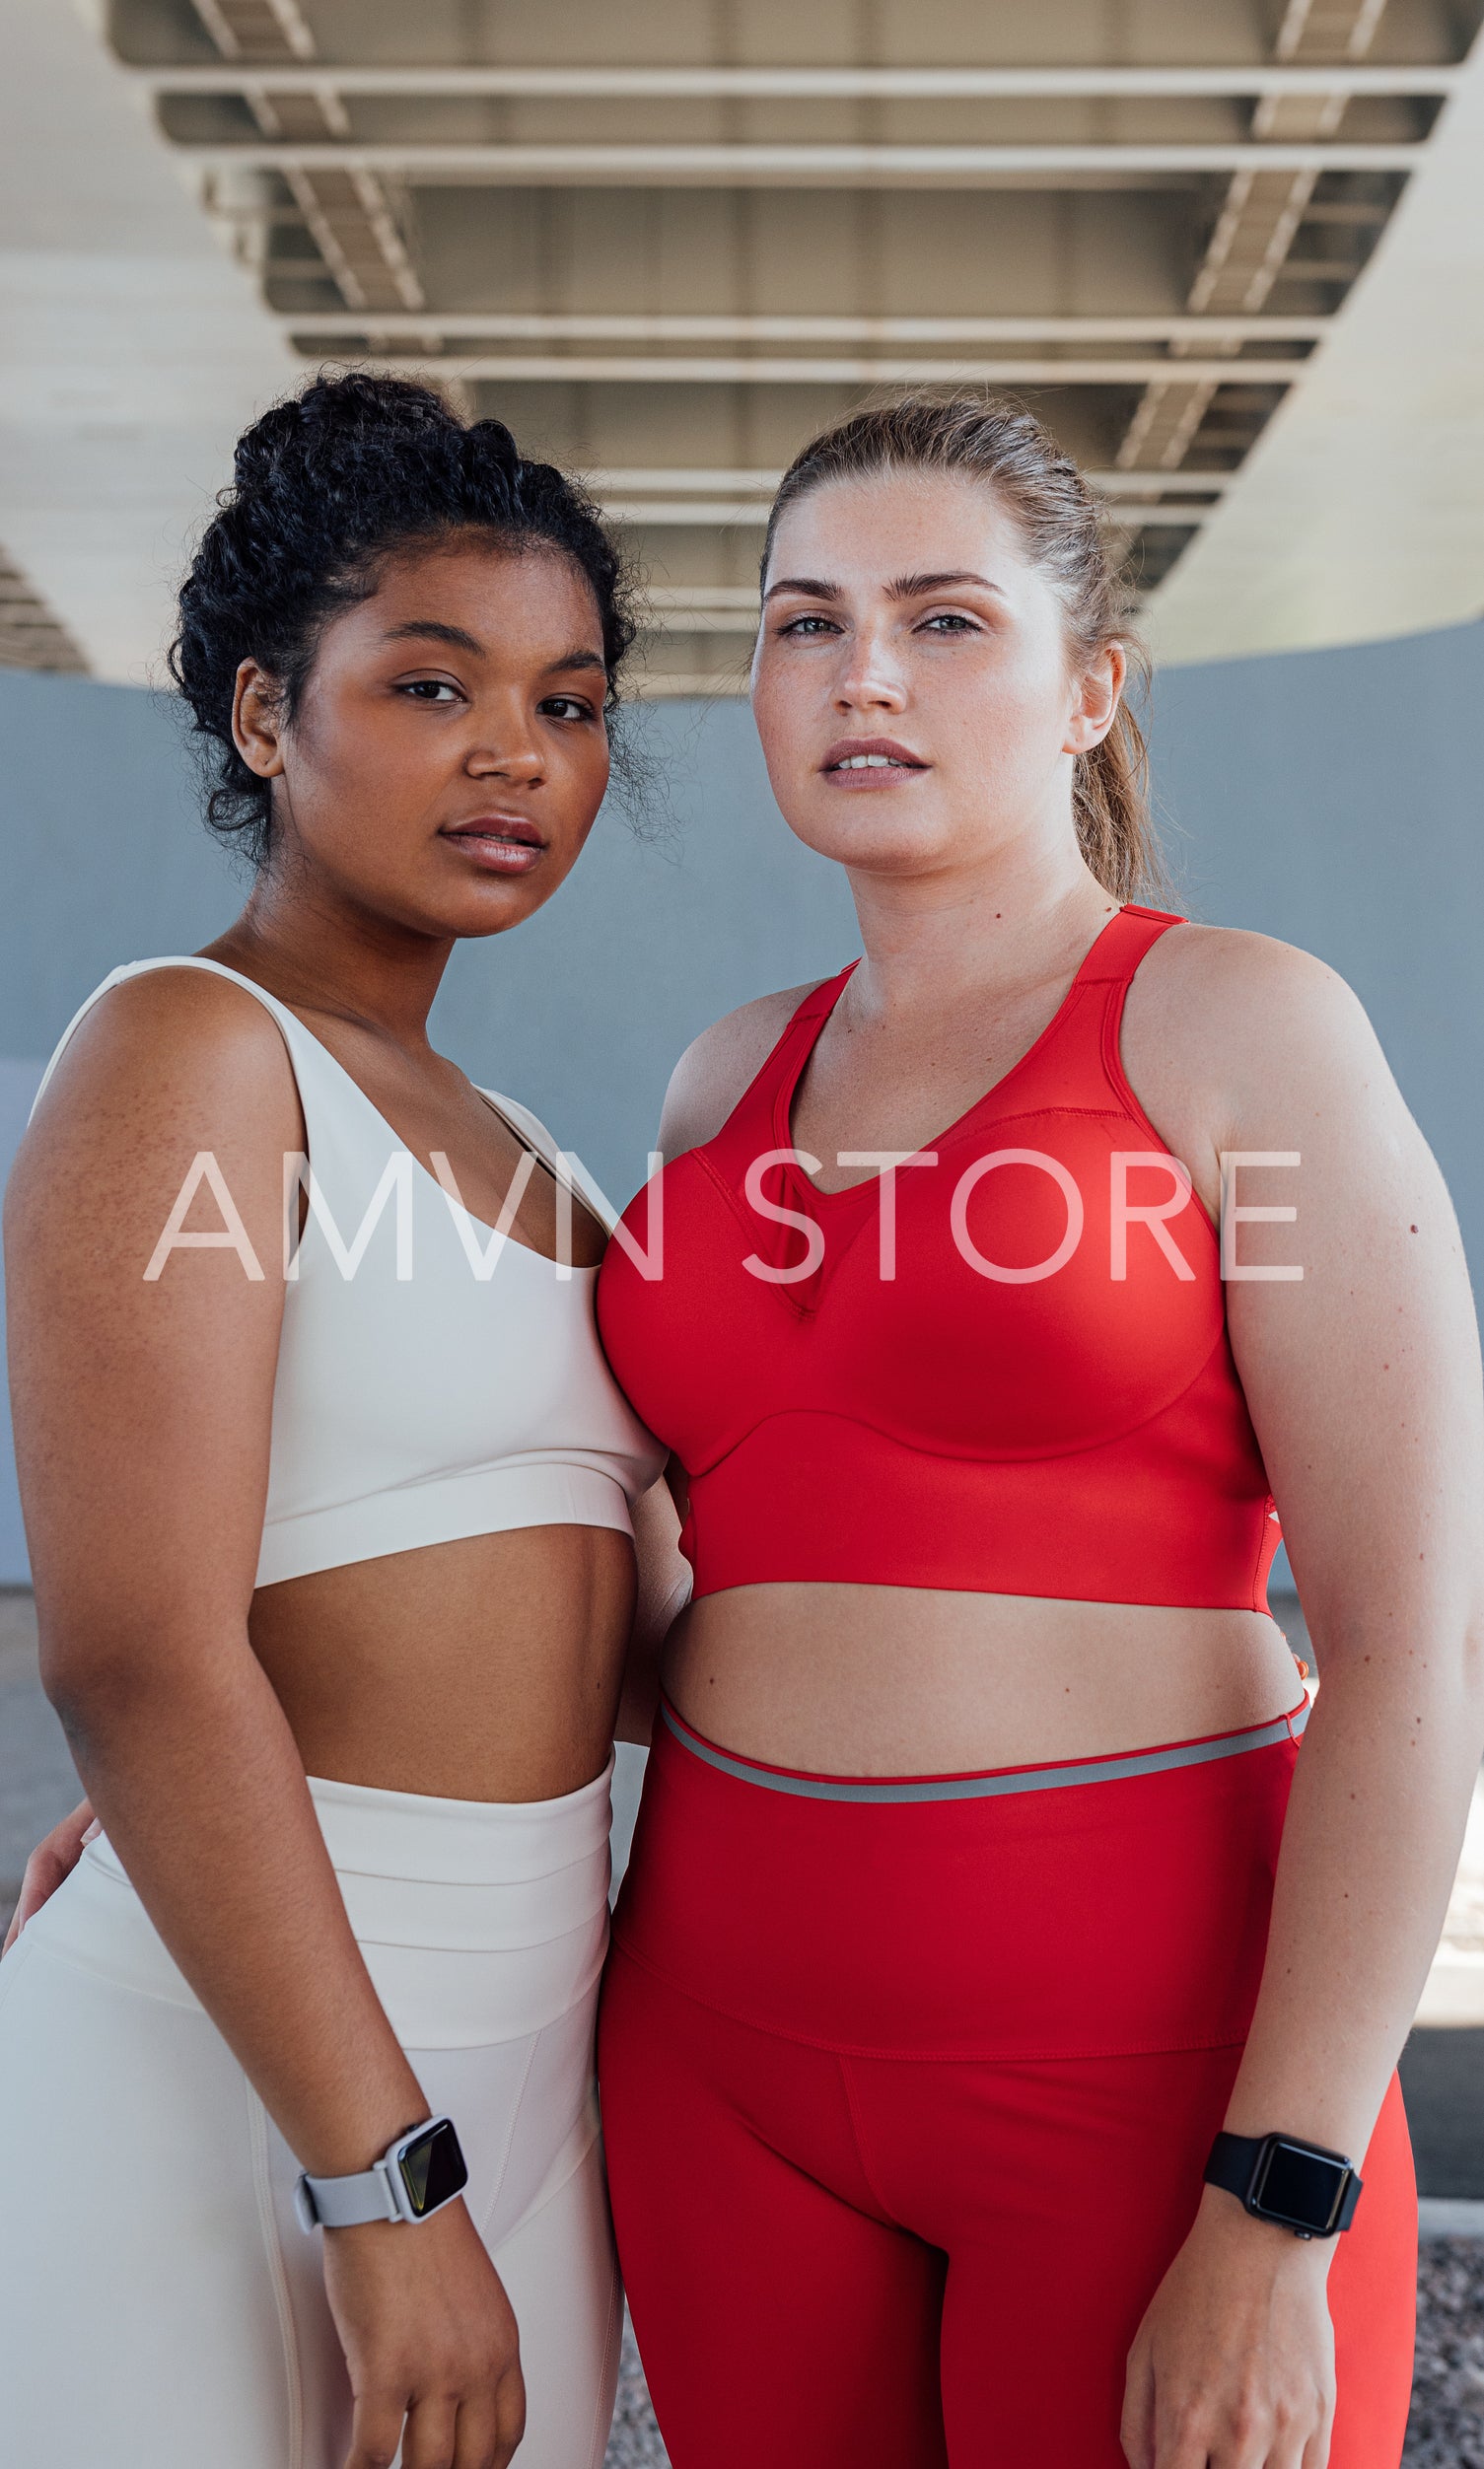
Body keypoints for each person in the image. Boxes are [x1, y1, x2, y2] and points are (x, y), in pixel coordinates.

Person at [595, 393, 1484, 2468]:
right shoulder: (722, 1080)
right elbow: (587, 1566)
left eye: (942, 619)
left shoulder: (1241, 1024)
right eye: (804, 624)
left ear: (1090, 687)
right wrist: (280, 1746)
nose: (863, 674)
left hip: (1142, 2072)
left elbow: (1414, 1647)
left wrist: (1280, 2195)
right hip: (717, 2053)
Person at [0, 371, 684, 2469]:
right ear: (261, 715)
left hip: (529, 2066)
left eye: (570, 705)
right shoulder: (185, 1051)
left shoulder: (537, 1152)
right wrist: (382, 2183)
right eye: (428, 682)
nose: (517, 755)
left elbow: (620, 1645)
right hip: (256, 2082)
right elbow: (133, 1649)